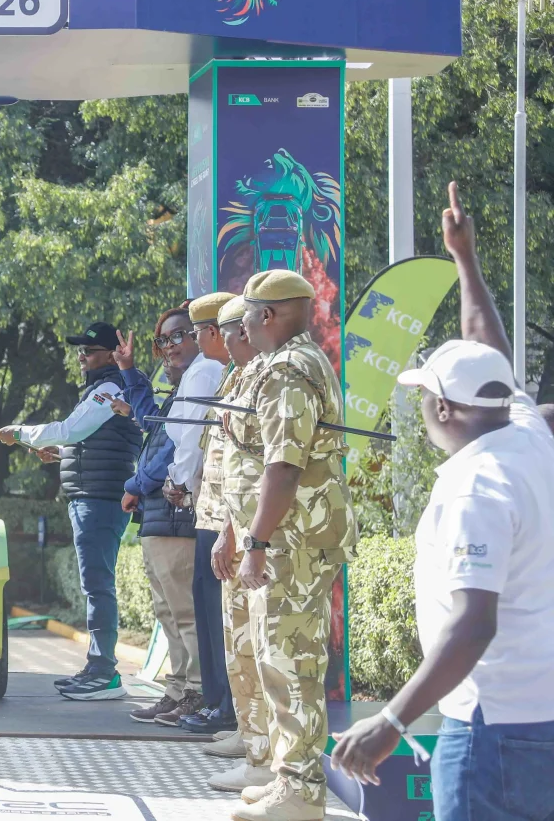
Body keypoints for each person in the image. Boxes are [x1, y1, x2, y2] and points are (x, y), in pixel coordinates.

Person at [331, 183, 554, 820]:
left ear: (444, 409)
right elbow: (491, 353)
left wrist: (392, 722)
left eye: (425, 394)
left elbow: (472, 623)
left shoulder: (475, 484)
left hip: (490, 729)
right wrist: (464, 259)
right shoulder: (525, 431)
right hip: (538, 716)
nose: (421, 405)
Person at [215, 269, 356, 821]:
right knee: (278, 659)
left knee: (291, 661)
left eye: (247, 313)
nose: (243, 323)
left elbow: (283, 465)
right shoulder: (284, 364)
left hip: (291, 542)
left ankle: (300, 791)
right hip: (285, 538)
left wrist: (256, 542)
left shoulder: (288, 371)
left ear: (266, 316)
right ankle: (286, 777)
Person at [0, 321, 141, 700]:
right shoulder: (100, 389)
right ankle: (98, 666)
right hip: (92, 496)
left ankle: (104, 672)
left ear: (111, 354)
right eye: (80, 350)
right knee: (95, 585)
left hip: (99, 499)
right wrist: (61, 455)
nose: (82, 356)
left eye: (89, 351)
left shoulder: (110, 388)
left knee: (97, 586)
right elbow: (85, 441)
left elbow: (71, 430)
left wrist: (21, 433)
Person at [119, 309, 204, 725]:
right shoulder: (179, 390)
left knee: (184, 611)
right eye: (162, 342)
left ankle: (197, 692)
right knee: (167, 612)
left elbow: (175, 454)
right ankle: (177, 690)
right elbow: (147, 420)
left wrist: (135, 484)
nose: (168, 349)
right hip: (158, 515)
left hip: (176, 516)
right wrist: (131, 371)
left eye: (176, 338)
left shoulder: (204, 379)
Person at [198, 298, 268, 764]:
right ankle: (248, 733)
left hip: (254, 530)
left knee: (262, 647)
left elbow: (267, 465)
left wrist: (237, 532)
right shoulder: (238, 378)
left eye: (231, 329)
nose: (228, 339)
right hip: (230, 519)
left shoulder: (272, 375)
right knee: (238, 641)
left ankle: (264, 751)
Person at [174, 291, 236, 737]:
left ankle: (228, 707)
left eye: (197, 332)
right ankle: (219, 703)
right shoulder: (228, 376)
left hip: (227, 517)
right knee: (208, 608)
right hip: (209, 509)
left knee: (221, 614)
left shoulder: (220, 373)